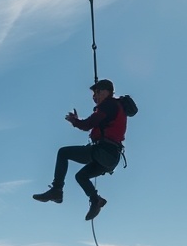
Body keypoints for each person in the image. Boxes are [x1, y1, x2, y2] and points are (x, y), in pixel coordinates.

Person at [33, 79, 127, 221]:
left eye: (98, 92)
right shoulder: (112, 106)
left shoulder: (108, 106)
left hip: (104, 151)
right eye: (94, 93)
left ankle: (57, 190)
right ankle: (96, 200)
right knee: (81, 176)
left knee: (63, 153)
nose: (95, 96)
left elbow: (87, 124)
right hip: (111, 157)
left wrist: (75, 121)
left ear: (107, 91)